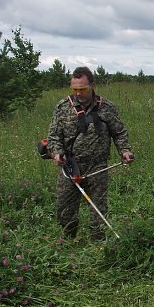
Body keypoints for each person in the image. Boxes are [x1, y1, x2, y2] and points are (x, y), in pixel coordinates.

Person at [47, 66, 134, 241]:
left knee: (98, 213)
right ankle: (68, 242)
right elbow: (54, 137)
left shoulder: (106, 107)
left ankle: (99, 247)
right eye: (75, 89)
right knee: (65, 212)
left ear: (92, 85)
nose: (78, 93)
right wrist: (57, 154)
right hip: (70, 168)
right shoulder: (63, 107)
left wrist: (125, 150)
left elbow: (119, 132)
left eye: (83, 89)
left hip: (98, 167)